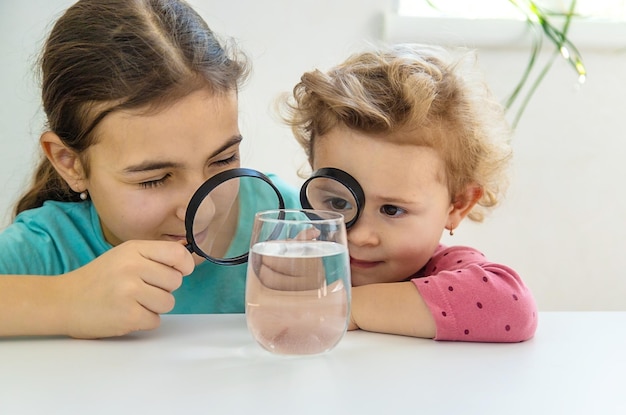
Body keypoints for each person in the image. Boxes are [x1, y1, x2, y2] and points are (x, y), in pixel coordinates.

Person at [0, 0, 299, 339]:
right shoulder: (48, 247)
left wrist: (343, 296)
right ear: (70, 162)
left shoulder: (282, 220)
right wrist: (64, 301)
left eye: (223, 160)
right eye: (154, 179)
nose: (204, 211)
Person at [281, 43, 538, 342]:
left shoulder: (443, 270)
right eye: (338, 202)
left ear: (457, 205)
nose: (360, 236)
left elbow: (514, 308)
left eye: (392, 210)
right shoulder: (310, 259)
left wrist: (345, 307)